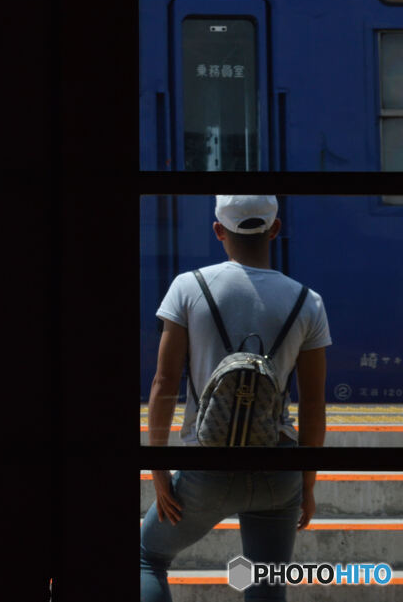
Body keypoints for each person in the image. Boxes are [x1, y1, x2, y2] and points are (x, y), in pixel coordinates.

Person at [140, 195, 331, 602]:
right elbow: (314, 406)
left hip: (207, 467)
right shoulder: (308, 302)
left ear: (218, 231)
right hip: (278, 470)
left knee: (145, 557)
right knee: (265, 581)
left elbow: (163, 382)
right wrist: (307, 484)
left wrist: (159, 474)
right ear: (275, 230)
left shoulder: (188, 287)